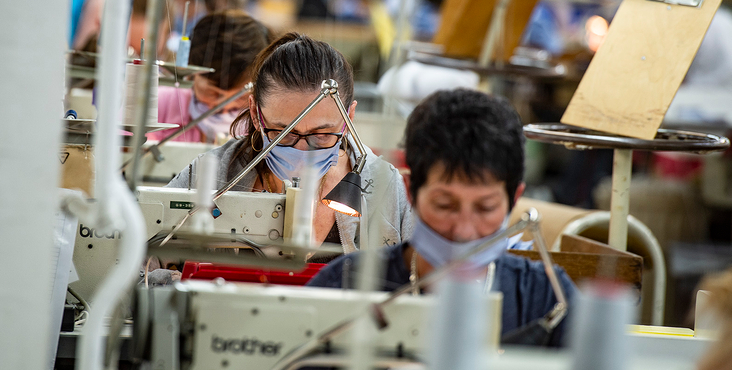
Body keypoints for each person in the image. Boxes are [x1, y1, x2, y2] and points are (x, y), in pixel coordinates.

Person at [306, 89, 577, 347]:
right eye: (445, 205)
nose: (464, 230)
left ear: (514, 199)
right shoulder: (343, 286)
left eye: (485, 208)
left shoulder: (548, 300)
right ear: (411, 192)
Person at [165, 33, 414, 254]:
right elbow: (141, 260)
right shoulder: (213, 174)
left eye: (322, 134)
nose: (302, 151)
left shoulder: (384, 186)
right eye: (284, 134)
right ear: (255, 113)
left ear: (348, 118)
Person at [148, 10, 274, 144]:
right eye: (213, 93)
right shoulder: (157, 104)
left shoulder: (265, 125)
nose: (223, 107)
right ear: (191, 73)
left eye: (241, 97)